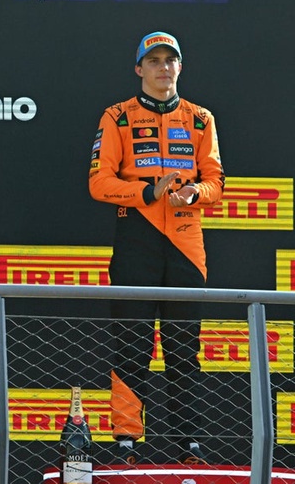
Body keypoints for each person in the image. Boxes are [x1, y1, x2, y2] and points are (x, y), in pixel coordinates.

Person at [88, 31, 223, 466]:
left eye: (170, 60)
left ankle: (188, 442)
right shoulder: (117, 117)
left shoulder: (200, 119)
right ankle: (126, 439)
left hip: (186, 244)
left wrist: (195, 193)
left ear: (180, 66)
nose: (163, 67)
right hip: (137, 239)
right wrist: (147, 193)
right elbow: (98, 182)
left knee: (184, 347)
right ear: (139, 69)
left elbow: (216, 181)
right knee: (131, 343)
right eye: (154, 60)